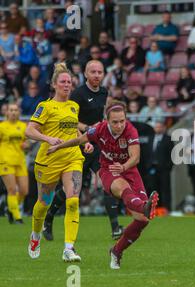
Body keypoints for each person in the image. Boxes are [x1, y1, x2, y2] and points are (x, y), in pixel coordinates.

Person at [47, 99, 159, 270]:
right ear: (107, 120)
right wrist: (58, 147)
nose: (119, 125)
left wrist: (123, 166)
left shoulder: (130, 130)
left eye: (122, 121)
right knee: (123, 189)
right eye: (115, 122)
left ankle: (116, 251)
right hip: (108, 171)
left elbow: (135, 157)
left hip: (129, 171)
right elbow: (79, 140)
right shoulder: (99, 129)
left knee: (142, 220)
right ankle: (144, 205)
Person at [43, 60, 124, 242]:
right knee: (70, 190)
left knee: (107, 182)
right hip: (78, 144)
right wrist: (88, 128)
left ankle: (115, 227)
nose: (96, 75)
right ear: (86, 74)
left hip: (96, 145)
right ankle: (48, 218)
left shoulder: (104, 92)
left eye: (100, 72)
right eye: (93, 72)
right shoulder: (78, 94)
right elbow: (70, 120)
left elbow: (101, 117)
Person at [25, 62, 91, 262]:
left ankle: (69, 248)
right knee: (44, 203)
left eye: (69, 82)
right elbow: (29, 130)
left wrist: (83, 142)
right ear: (54, 85)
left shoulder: (74, 106)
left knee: (72, 201)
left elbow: (72, 129)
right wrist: (47, 139)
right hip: (49, 160)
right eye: (63, 82)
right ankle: (35, 235)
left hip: (72, 158)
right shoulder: (45, 106)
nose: (66, 85)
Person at [0, 103, 29, 224]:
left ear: (19, 112)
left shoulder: (23, 126)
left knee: (24, 191)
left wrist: (26, 145)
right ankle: (17, 217)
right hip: (6, 161)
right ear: (6, 112)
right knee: (11, 190)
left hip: (20, 161)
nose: (13, 112)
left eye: (15, 110)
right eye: (11, 110)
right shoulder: (2, 127)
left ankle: (12, 208)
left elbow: (26, 142)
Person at [143, 121, 174, 215]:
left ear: (163, 128)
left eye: (160, 127)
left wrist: (168, 167)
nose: (158, 129)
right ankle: (155, 209)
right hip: (152, 168)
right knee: (153, 189)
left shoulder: (168, 139)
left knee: (165, 189)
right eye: (156, 127)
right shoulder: (150, 138)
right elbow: (146, 154)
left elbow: (172, 155)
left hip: (164, 169)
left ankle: (166, 209)